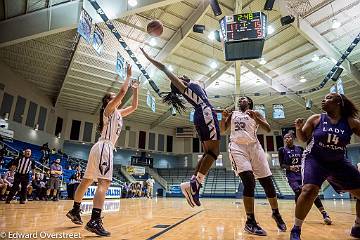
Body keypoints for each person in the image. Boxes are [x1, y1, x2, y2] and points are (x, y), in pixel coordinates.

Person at [141, 48, 220, 208]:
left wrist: (220, 111)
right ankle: (194, 185)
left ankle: (193, 185)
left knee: (208, 153)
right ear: (180, 82)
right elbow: (164, 68)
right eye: (180, 77)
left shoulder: (194, 87)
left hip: (205, 113)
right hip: (205, 114)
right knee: (213, 153)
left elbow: (205, 103)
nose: (182, 75)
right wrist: (149, 58)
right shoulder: (185, 86)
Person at [66, 64, 138, 236]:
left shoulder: (118, 113)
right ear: (108, 101)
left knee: (86, 181)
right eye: (113, 97)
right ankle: (94, 220)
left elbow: (134, 106)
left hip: (99, 147)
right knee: (103, 183)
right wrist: (128, 77)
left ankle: (75, 210)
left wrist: (135, 89)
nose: (117, 98)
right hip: (105, 147)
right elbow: (121, 93)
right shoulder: (108, 110)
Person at [290, 93, 360, 240]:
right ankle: (296, 230)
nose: (323, 99)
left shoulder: (351, 122)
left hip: (338, 162)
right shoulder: (316, 118)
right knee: (309, 190)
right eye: (324, 97)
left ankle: (358, 226)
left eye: (328, 98)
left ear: (339, 102)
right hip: (315, 159)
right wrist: (298, 128)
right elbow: (303, 138)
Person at [221, 96, 286, 236]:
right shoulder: (233, 114)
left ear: (249, 102)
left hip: (255, 147)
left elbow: (268, 129)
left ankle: (276, 213)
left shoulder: (256, 113)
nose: (241, 100)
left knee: (268, 182)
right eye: (240, 99)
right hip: (237, 147)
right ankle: (250, 222)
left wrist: (256, 118)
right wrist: (224, 117)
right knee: (249, 181)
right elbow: (222, 130)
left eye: (244, 99)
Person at [279, 132, 332, 225]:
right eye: (285, 138)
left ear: (293, 138)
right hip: (292, 176)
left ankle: (324, 214)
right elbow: (282, 165)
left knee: (311, 191)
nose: (287, 139)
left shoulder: (299, 148)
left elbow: (306, 159)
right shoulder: (282, 150)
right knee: (298, 191)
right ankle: (299, 215)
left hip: (303, 174)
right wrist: (290, 167)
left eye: (289, 137)